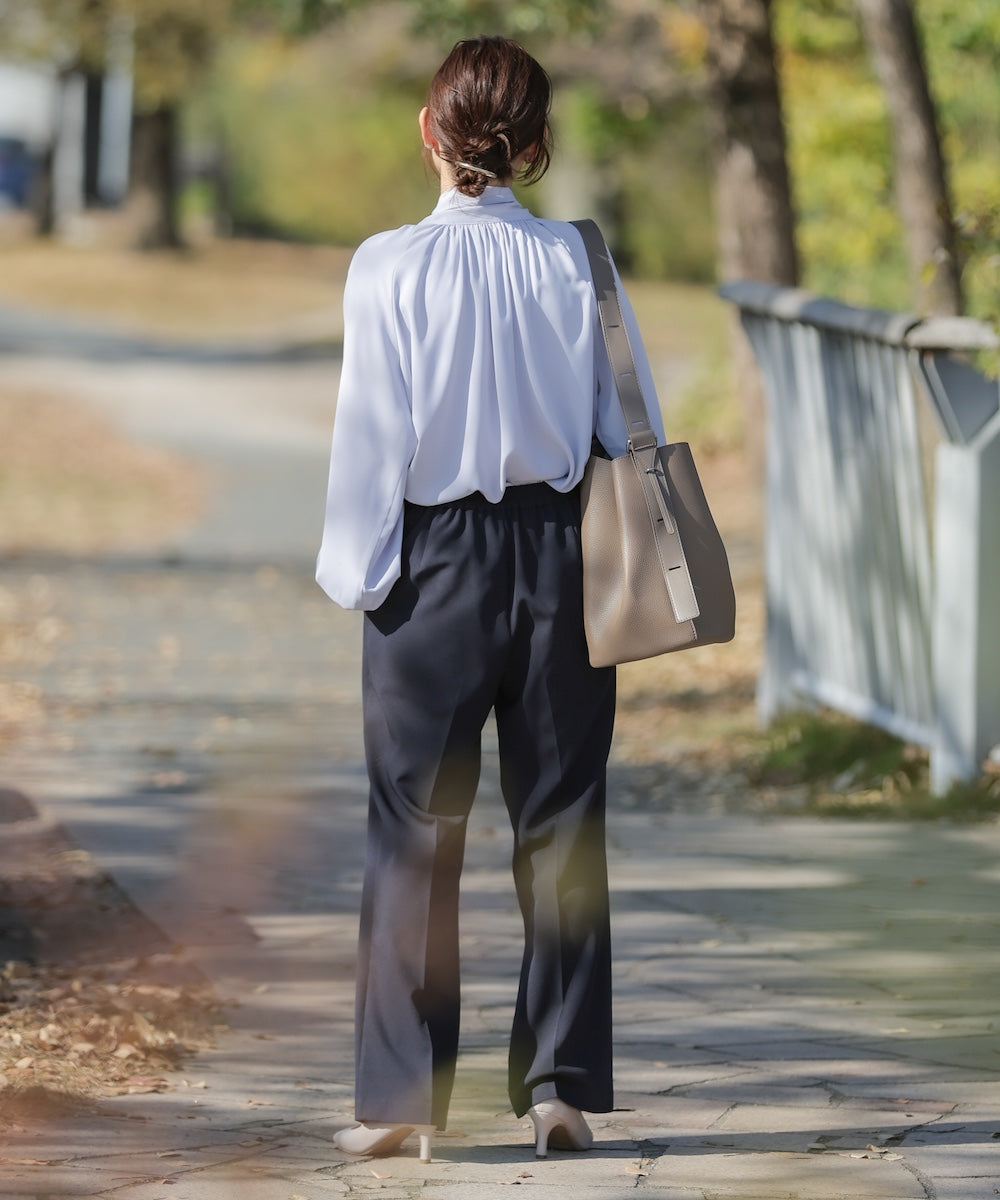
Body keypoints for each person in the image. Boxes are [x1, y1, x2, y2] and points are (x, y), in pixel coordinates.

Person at [316, 35, 666, 1163]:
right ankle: (560, 1092)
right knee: (562, 825)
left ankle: (402, 1102)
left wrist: (361, 577)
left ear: (430, 132)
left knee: (414, 830)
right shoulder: (579, 261)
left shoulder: (385, 266)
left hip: (432, 567)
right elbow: (630, 427)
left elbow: (371, 441)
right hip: (565, 555)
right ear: (538, 144)